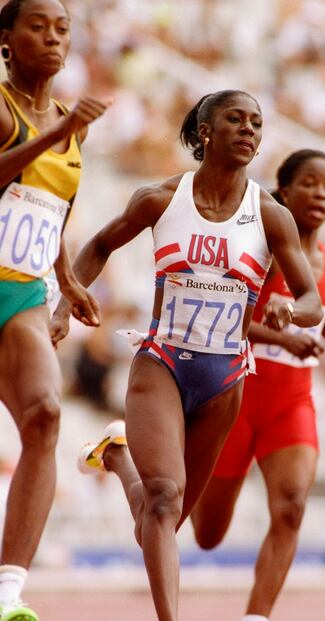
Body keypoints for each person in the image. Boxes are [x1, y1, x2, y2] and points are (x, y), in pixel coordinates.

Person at [50, 90, 323, 621]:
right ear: (204, 131)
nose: (248, 130)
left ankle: (115, 455)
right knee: (164, 497)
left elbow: (312, 298)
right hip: (162, 365)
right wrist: (66, 304)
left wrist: (291, 311)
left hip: (225, 378)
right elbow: (101, 244)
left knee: (163, 520)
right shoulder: (161, 200)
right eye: (235, 120)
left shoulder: (270, 215)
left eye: (257, 124)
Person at [190, 149, 325, 621]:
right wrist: (281, 338)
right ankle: (124, 451)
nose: (320, 194)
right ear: (285, 190)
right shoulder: (257, 249)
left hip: (290, 404)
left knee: (291, 507)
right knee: (207, 535)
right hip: (233, 398)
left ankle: (257, 616)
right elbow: (220, 316)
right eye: (310, 184)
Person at [0, 0, 111, 619]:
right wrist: (54, 136)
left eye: (62, 28)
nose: (52, 37)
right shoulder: (6, 108)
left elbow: (52, 204)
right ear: (6, 41)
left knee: (43, 414)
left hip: (22, 291)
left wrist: (66, 280)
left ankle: (7, 593)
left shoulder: (73, 123)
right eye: (37, 25)